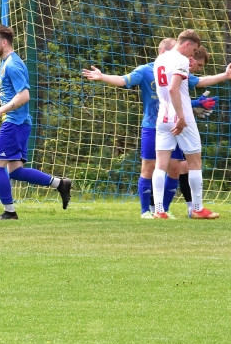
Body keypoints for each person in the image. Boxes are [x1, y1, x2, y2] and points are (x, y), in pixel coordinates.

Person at [81, 39, 226, 218]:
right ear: (165, 51)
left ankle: (162, 210)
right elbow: (123, 80)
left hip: (163, 119)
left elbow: (198, 82)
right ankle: (147, 211)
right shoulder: (148, 69)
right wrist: (103, 77)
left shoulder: (172, 66)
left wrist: (197, 101)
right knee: (151, 167)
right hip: (155, 124)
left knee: (174, 167)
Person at [0, 24, 72, 220]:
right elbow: (13, 93)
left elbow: (24, 96)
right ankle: (60, 184)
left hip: (14, 123)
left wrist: (0, 110)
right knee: (15, 171)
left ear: (4, 42)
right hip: (19, 123)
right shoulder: (8, 63)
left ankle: (9, 212)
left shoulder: (13, 65)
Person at [150, 30, 220, 220]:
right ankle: (197, 208)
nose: (193, 55)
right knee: (194, 162)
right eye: (194, 49)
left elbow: (168, 87)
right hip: (181, 116)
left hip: (162, 115)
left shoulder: (160, 59)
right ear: (187, 44)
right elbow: (174, 88)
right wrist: (181, 117)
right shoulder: (180, 59)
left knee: (161, 164)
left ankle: (158, 210)